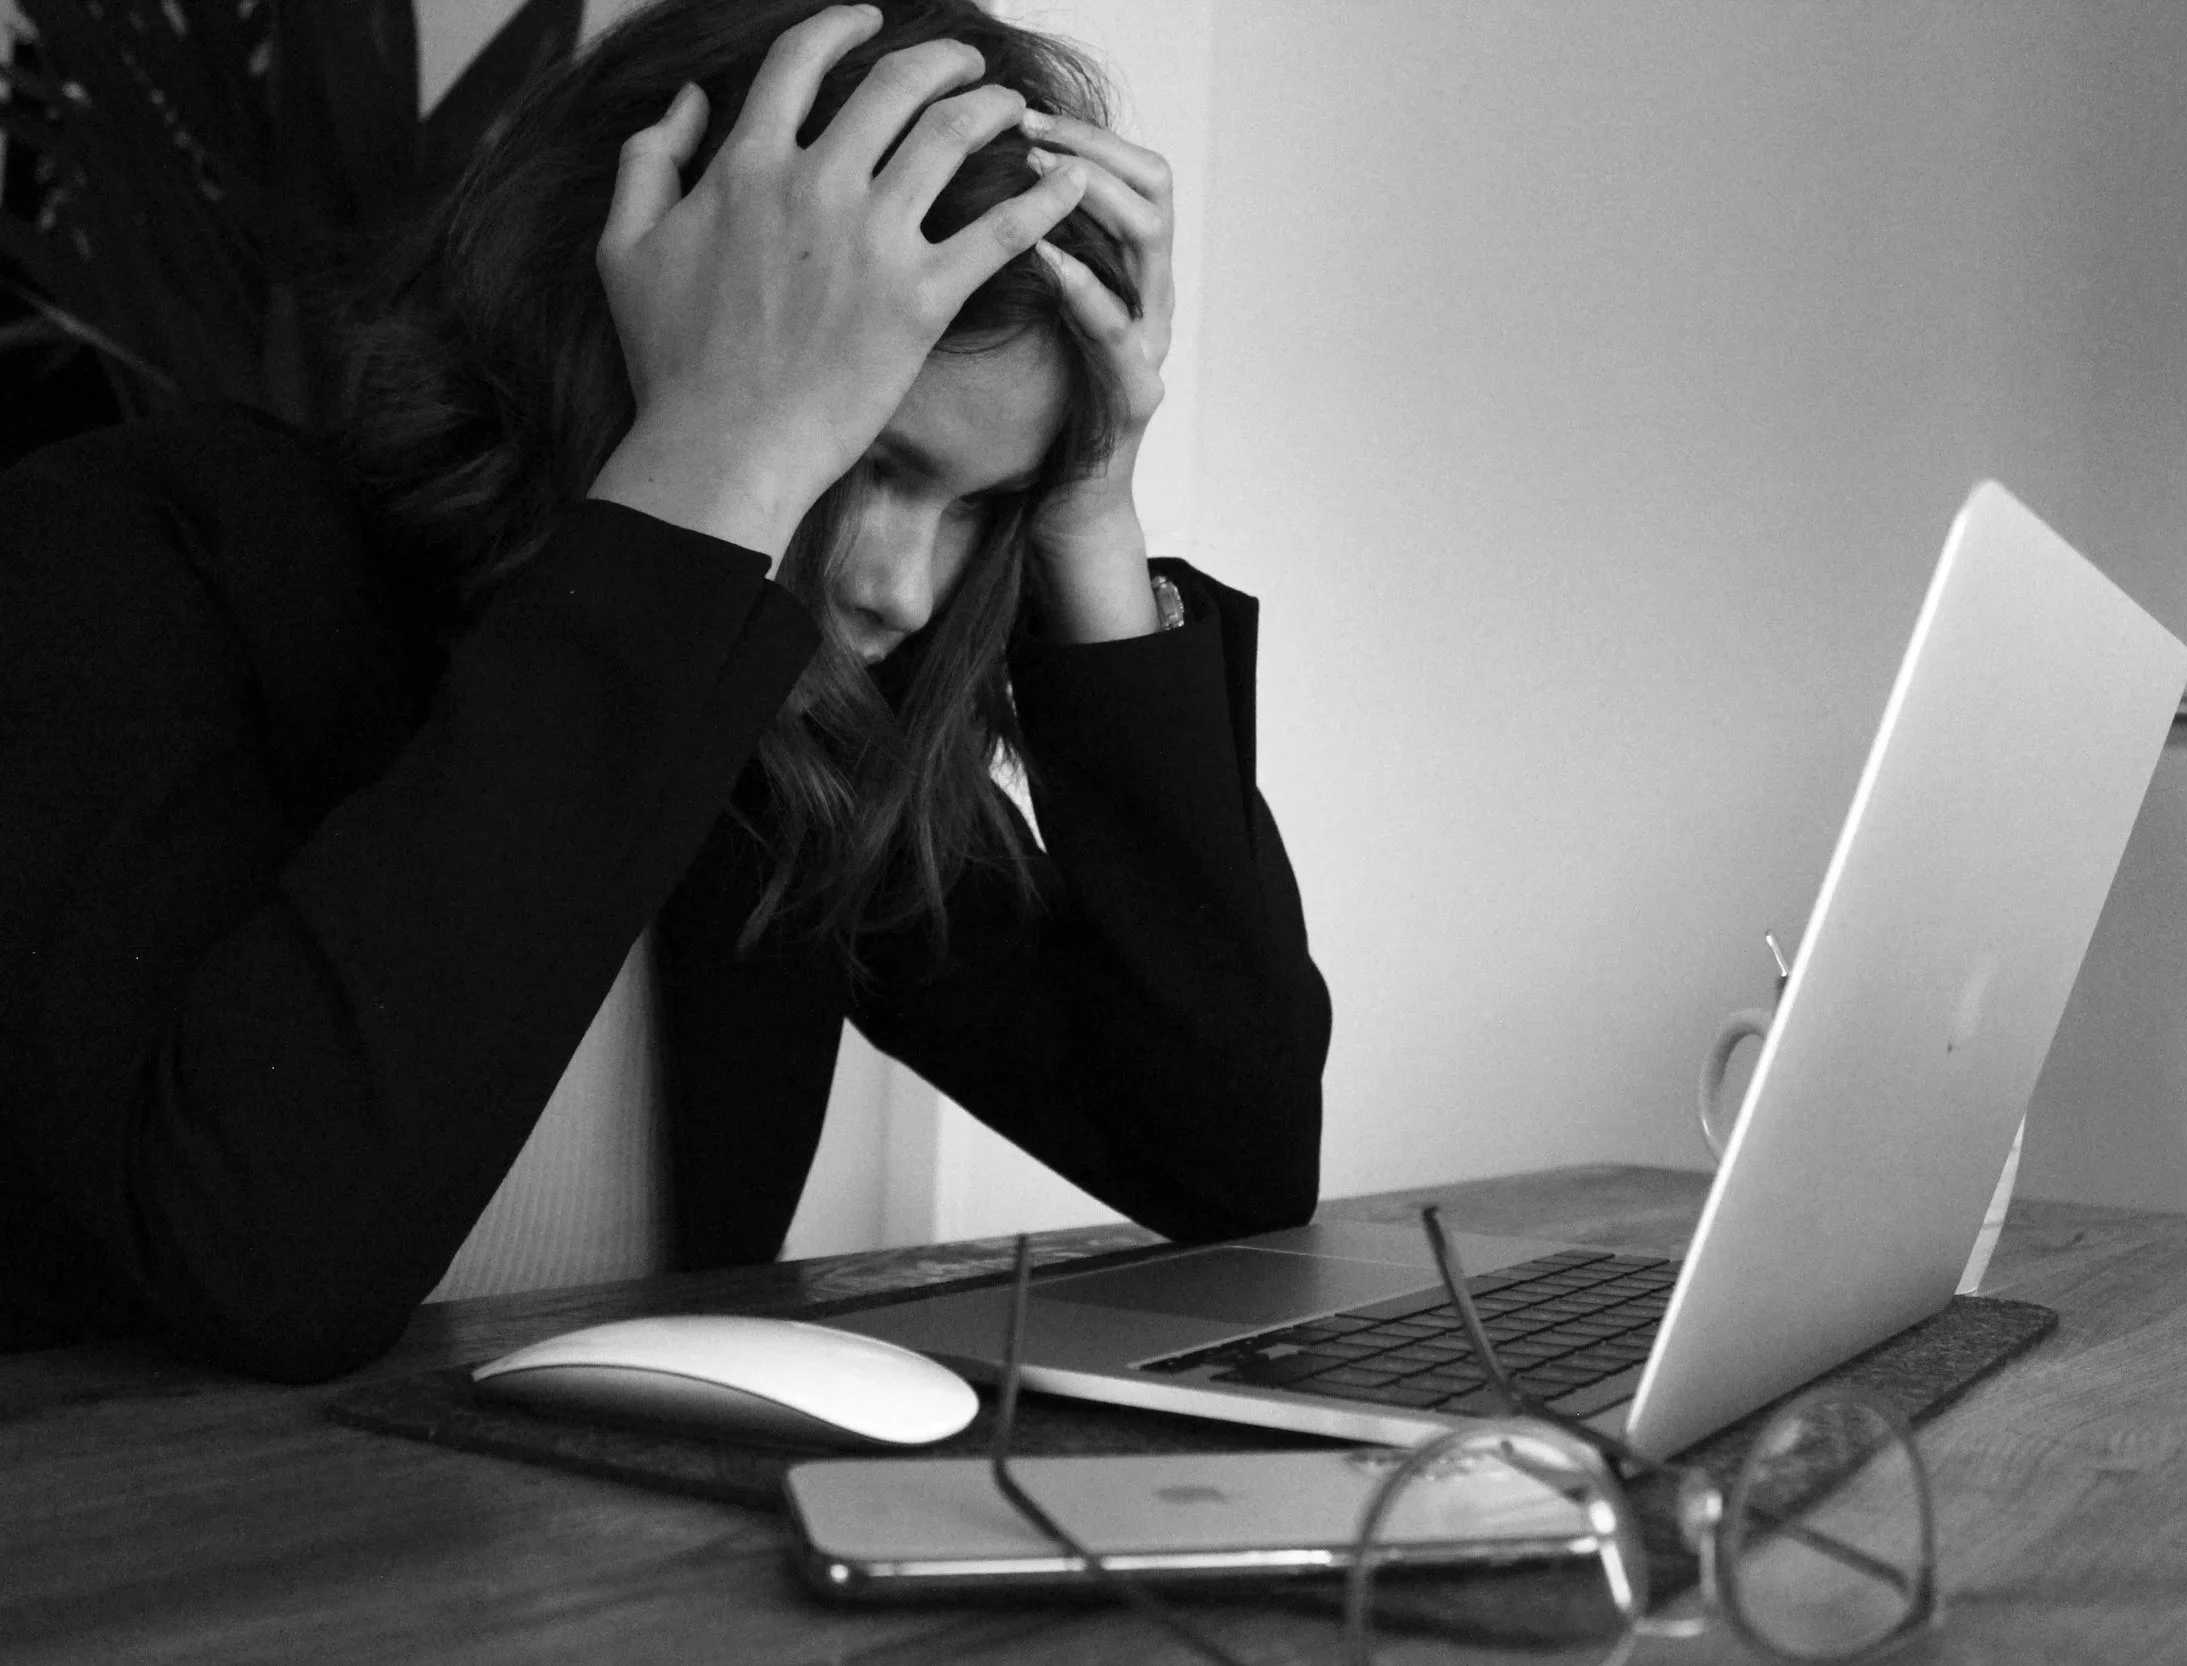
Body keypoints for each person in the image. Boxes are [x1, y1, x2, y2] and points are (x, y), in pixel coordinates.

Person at [0, 0, 1329, 1381]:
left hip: (613, 1576)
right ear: (618, 322)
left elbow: (1228, 1150)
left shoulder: (783, 729)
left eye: (980, 506)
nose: (900, 592)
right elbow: (266, 1270)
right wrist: (716, 456)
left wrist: (1089, 514)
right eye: (864, 457)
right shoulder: (125, 558)